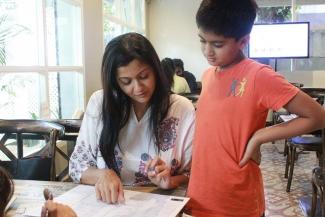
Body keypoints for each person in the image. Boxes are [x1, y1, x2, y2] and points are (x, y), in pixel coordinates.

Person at [186, 0, 325, 217]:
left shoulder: (258, 75)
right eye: (202, 40)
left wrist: (260, 135)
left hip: (236, 200)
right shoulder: (208, 75)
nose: (207, 51)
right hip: (200, 195)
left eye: (217, 44)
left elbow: (317, 116)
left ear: (243, 41)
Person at [69, 33, 195, 204]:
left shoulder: (181, 108)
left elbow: (194, 173)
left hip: (161, 206)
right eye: (126, 81)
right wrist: (103, 175)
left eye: (144, 76)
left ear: (156, 70)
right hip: (110, 205)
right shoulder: (100, 103)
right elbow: (76, 167)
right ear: (115, 81)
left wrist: (170, 181)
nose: (138, 88)